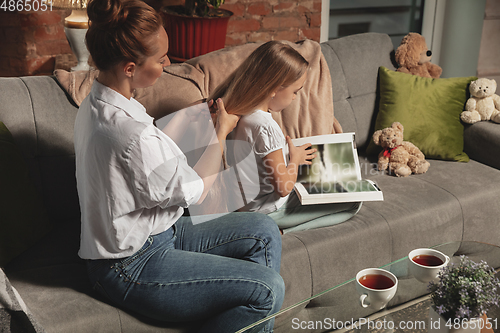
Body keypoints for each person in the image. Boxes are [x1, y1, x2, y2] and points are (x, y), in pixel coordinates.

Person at [74, 0, 284, 332]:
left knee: (264, 231)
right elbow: (197, 189)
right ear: (130, 67)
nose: (168, 63)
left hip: (160, 232)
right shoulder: (130, 133)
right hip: (130, 265)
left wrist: (188, 117)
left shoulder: (100, 103)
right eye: (161, 60)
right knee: (268, 288)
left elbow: (149, 164)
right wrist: (221, 130)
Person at [210, 41, 362, 234]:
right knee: (353, 203)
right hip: (268, 210)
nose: (294, 98)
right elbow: (283, 187)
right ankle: (282, 231)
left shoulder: (238, 114)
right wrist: (295, 161)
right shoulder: (266, 126)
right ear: (274, 88)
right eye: (295, 92)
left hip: (246, 205)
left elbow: (256, 163)